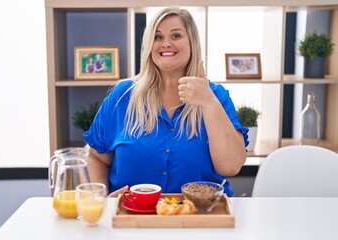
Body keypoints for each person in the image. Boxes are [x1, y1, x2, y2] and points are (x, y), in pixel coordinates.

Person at [83, 7, 248, 197]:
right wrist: (100, 199)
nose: (166, 44)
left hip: (199, 215)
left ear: (192, 43)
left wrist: (209, 102)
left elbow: (231, 167)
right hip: (131, 216)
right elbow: (96, 158)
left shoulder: (216, 96)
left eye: (176, 36)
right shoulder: (122, 96)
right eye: (158, 37)